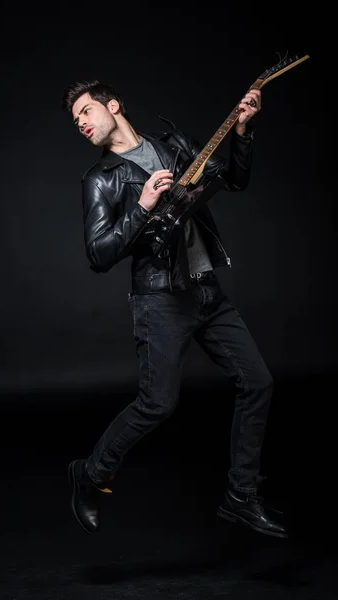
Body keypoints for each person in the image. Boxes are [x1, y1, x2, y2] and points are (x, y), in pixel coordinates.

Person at [61, 78, 288, 539]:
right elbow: (98, 255)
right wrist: (142, 206)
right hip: (159, 300)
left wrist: (242, 132)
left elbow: (235, 180)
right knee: (158, 403)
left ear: (114, 105)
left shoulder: (173, 146)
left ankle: (240, 496)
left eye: (86, 111)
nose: (81, 123)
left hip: (206, 291)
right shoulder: (101, 178)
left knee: (258, 381)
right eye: (75, 120)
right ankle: (88, 474)